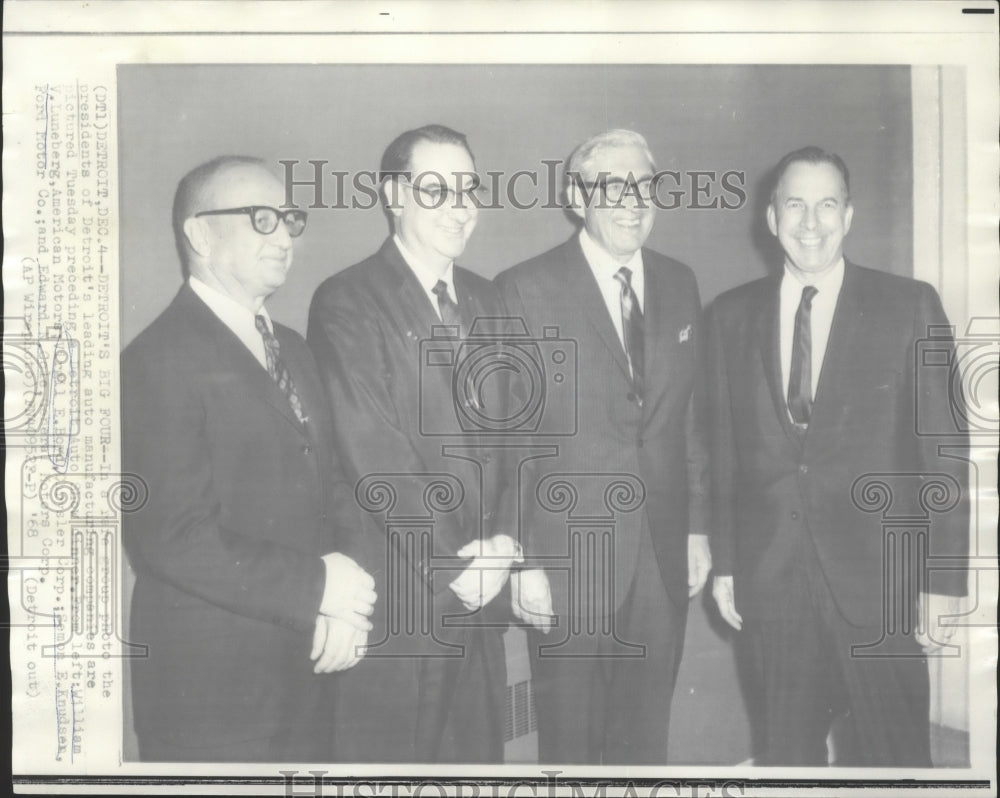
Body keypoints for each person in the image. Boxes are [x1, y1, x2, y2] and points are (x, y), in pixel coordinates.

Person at [705, 146, 969, 766]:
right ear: (771, 218)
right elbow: (722, 453)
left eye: (827, 205)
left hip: (878, 582)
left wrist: (942, 582)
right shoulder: (730, 316)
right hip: (772, 582)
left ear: (849, 216)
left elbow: (946, 455)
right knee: (785, 757)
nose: (811, 222)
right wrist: (727, 563)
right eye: (795, 204)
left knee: (898, 758)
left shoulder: (909, 305)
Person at [122, 156, 376, 762]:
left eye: (289, 219)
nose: (285, 236)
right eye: (261, 219)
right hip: (214, 698)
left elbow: (336, 486)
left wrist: (347, 607)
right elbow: (173, 537)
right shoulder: (154, 360)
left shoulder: (292, 347)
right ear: (201, 234)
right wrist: (319, 588)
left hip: (309, 670)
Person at [494, 129, 712, 764]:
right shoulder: (524, 288)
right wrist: (525, 561)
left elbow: (688, 417)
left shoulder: (679, 281)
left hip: (661, 553)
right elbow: (511, 435)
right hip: (568, 556)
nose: (631, 201)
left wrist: (697, 528)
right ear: (575, 197)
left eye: (643, 186)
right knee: (573, 741)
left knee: (645, 740)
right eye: (611, 187)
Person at [307, 124, 517, 763]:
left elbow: (519, 438)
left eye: (468, 190)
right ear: (393, 196)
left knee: (477, 766)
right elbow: (376, 455)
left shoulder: (489, 299)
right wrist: (458, 567)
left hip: (480, 597)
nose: (460, 207)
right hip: (402, 597)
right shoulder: (347, 300)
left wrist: (504, 545)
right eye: (437, 190)